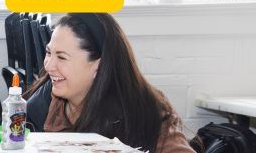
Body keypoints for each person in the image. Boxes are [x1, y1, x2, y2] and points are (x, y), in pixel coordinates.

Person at [26, 13, 193, 152]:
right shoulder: (39, 107)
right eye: (49, 53)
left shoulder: (145, 109)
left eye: (62, 57)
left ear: (99, 66)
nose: (48, 66)